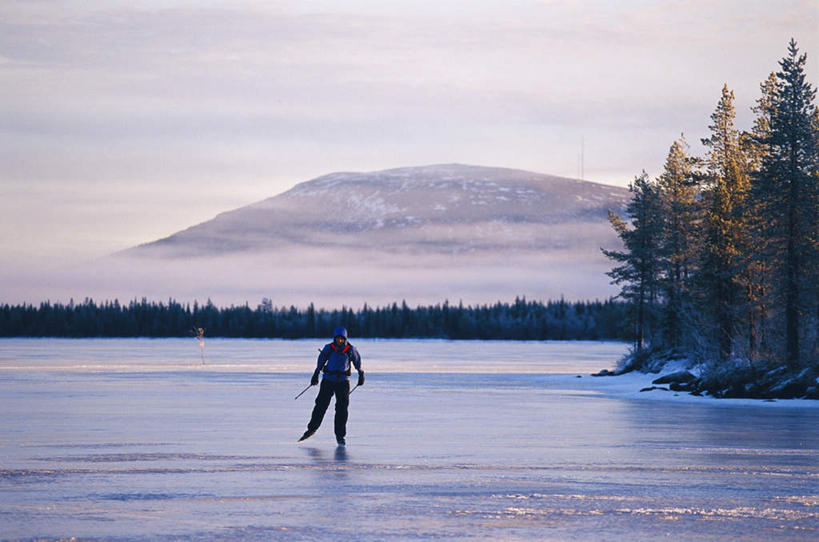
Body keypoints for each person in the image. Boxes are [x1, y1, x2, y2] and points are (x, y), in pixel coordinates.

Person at [298, 326, 364, 446]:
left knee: (342, 409)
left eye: (342, 339)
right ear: (334, 338)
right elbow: (321, 361)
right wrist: (316, 374)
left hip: (343, 382)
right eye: (337, 339)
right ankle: (312, 429)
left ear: (345, 339)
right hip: (328, 380)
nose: (339, 341)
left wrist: (361, 374)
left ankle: (340, 436)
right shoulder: (329, 348)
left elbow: (357, 362)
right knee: (320, 405)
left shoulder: (350, 349)